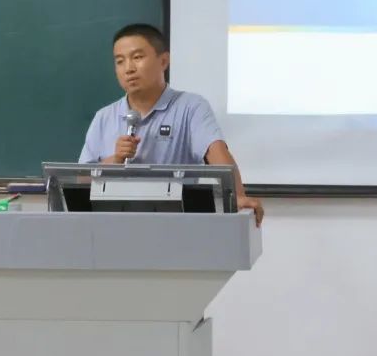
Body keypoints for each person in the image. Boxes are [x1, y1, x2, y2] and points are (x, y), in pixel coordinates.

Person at [78, 23, 265, 226]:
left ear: (164, 61)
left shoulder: (190, 107)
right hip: (112, 225)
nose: (128, 69)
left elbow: (216, 152)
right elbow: (79, 180)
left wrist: (237, 196)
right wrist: (115, 160)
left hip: (174, 225)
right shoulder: (104, 117)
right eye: (120, 61)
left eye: (137, 57)